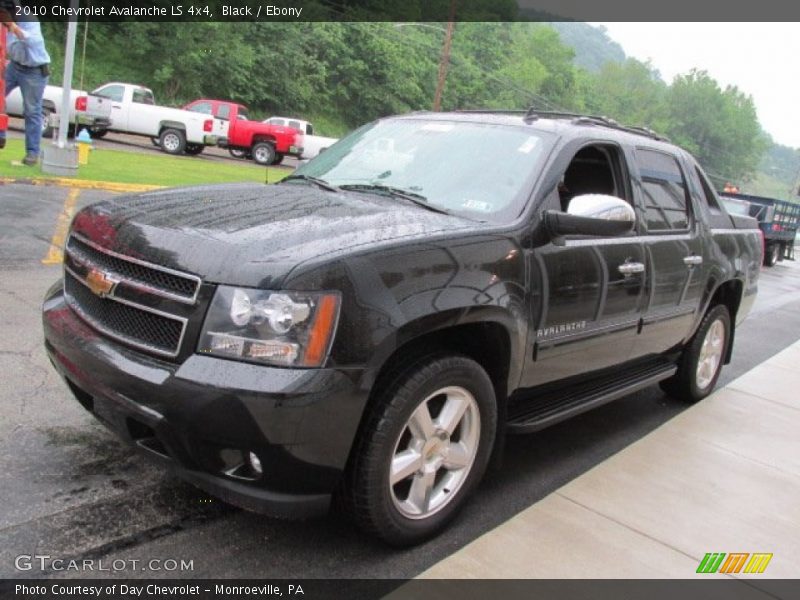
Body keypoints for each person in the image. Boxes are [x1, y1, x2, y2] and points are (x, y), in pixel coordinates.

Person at [0, 0, 50, 166]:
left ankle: (32, 153)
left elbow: (34, 42)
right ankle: (1, 135)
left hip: (34, 70)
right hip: (14, 66)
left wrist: (13, 27)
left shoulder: (29, 19)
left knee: (31, 111)